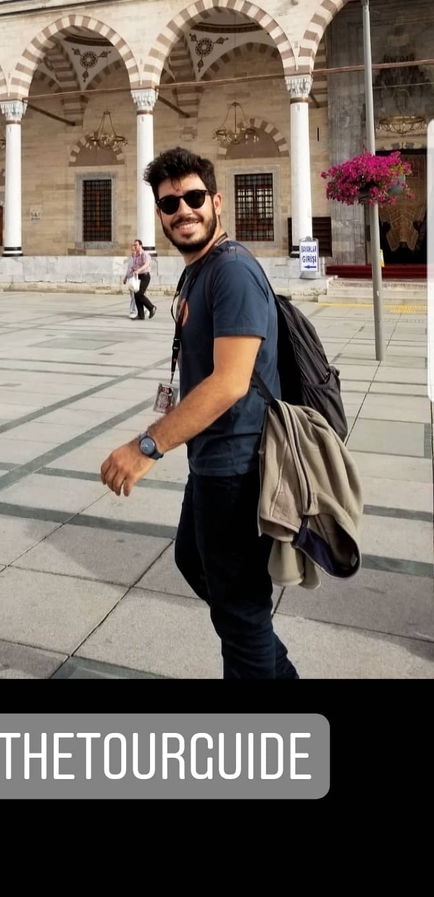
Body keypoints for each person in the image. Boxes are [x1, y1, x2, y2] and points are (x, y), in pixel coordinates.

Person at [101, 147, 299, 681]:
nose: (182, 211)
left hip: (238, 465)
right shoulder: (199, 271)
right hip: (213, 462)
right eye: (170, 204)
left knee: (239, 614)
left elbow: (231, 382)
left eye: (193, 198)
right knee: (194, 560)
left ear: (215, 202)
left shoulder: (230, 270)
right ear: (159, 213)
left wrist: (147, 446)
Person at [122, 239, 156, 320]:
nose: (134, 247)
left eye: (136, 245)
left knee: (140, 294)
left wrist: (139, 270)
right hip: (138, 277)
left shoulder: (145, 254)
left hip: (145, 276)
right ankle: (141, 315)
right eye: (134, 245)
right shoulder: (136, 256)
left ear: (140, 245)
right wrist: (132, 270)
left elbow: (146, 264)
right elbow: (135, 266)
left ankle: (151, 307)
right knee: (136, 295)